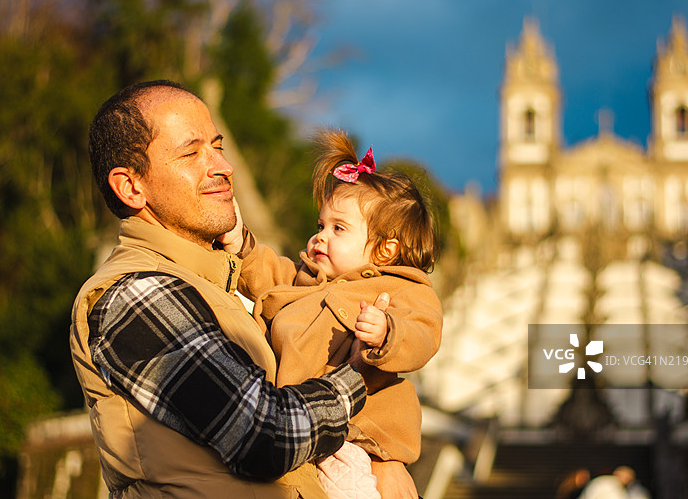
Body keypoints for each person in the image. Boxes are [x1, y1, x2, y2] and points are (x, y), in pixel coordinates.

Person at [70, 80, 385, 498]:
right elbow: (265, 436)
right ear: (131, 186)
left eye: (217, 146)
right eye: (191, 152)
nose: (222, 165)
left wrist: (385, 459)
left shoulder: (212, 284)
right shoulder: (135, 292)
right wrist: (361, 376)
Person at [219, 129, 443, 498]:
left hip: (355, 439)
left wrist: (387, 333)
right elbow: (272, 276)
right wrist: (240, 243)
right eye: (320, 225)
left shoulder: (402, 289)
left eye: (339, 228)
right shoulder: (309, 280)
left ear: (385, 251)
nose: (320, 236)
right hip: (299, 424)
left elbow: (423, 334)